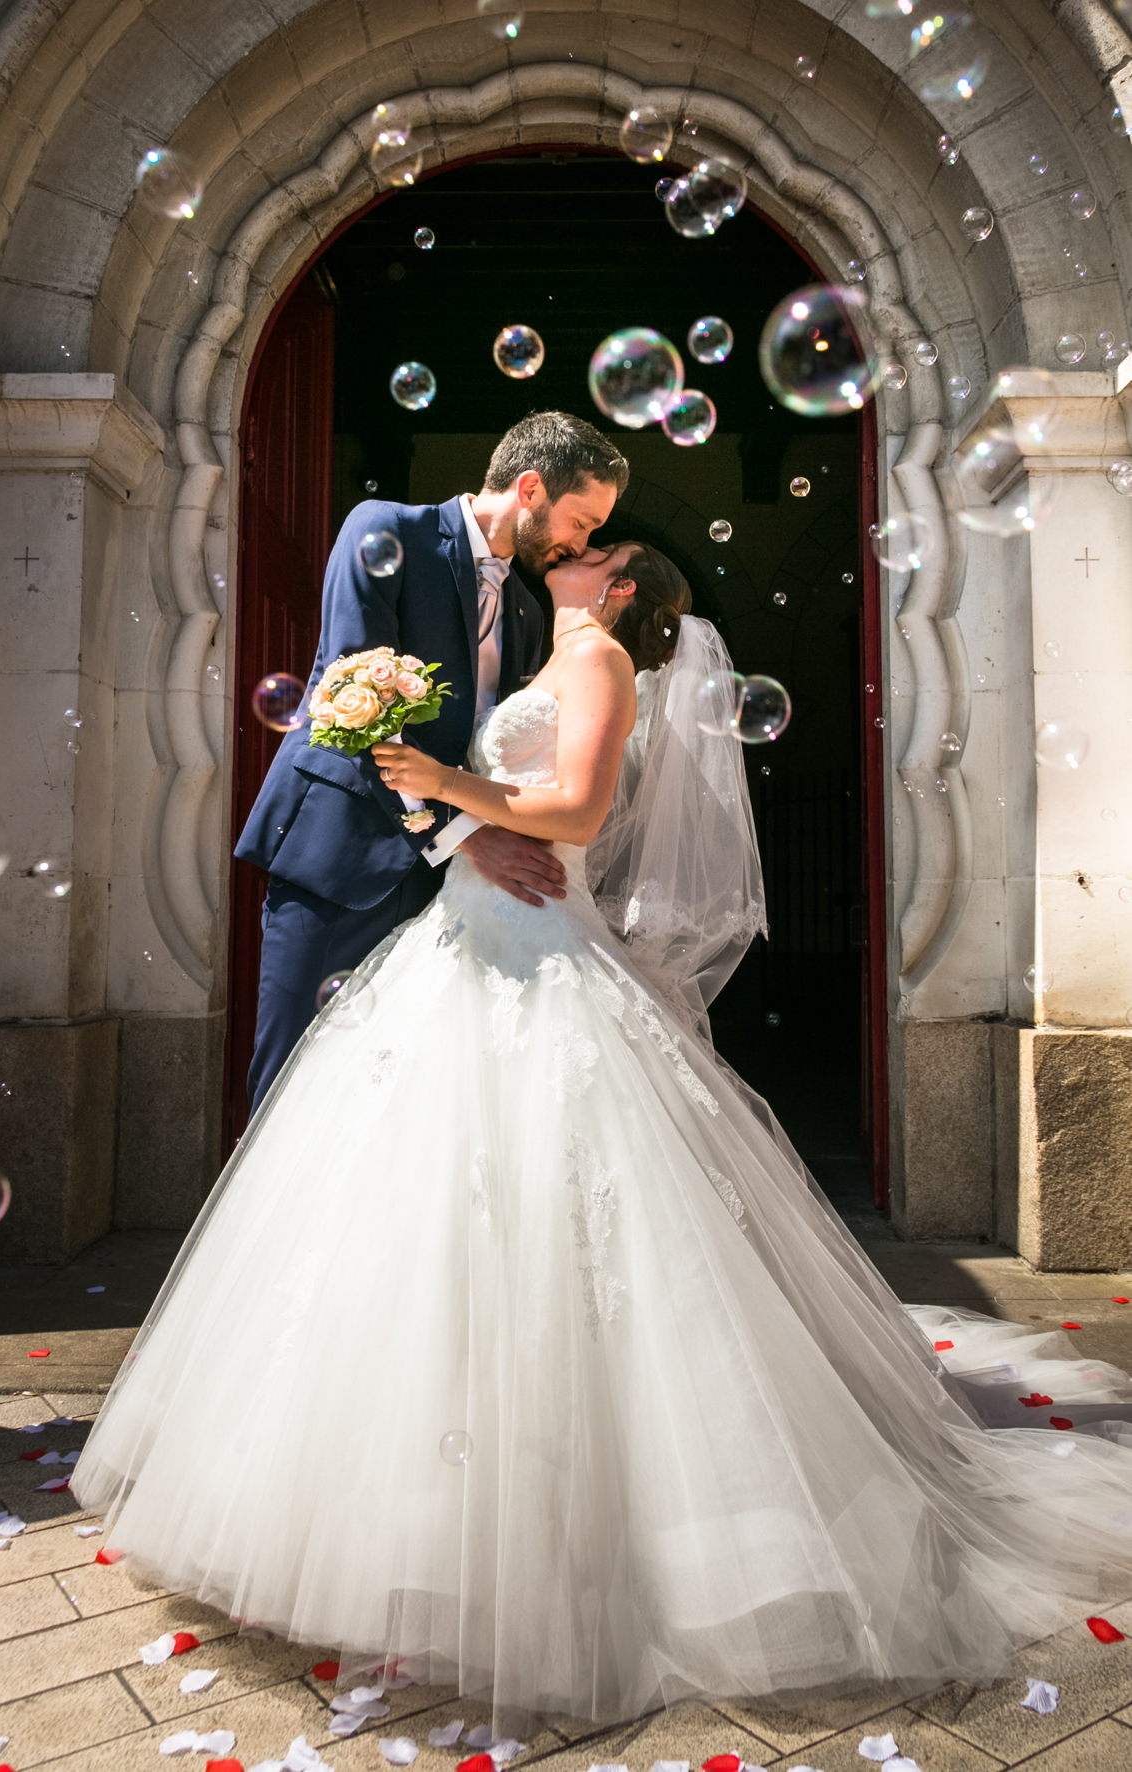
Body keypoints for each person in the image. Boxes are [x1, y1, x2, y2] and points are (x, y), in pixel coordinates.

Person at [76, 540, 1132, 1742]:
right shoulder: (547, 654)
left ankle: (590, 1539)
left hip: (540, 950)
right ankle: (396, 1518)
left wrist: (444, 779)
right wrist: (447, 809)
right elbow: (487, 808)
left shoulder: (603, 664)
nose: (567, 553)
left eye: (593, 551)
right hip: (463, 944)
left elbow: (574, 810)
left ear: (620, 586)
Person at [235, 410, 628, 1111]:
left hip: (447, 897)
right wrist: (470, 833)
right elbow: (356, 701)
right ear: (531, 488)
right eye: (581, 520)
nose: (580, 542)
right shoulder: (386, 530)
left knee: (397, 1104)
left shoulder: (525, 614)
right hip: (341, 857)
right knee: (293, 1084)